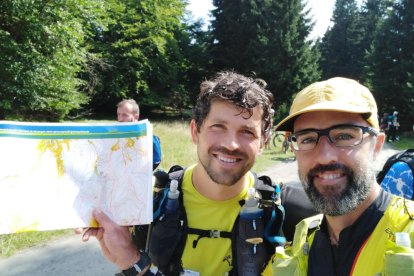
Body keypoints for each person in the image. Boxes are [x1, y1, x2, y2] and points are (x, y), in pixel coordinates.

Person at [79, 71, 280, 275]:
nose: (231, 144)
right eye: (218, 126)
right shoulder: (145, 200)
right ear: (195, 131)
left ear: (263, 142)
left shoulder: (281, 214)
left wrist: (134, 265)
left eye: (247, 132)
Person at [272, 77, 414, 275]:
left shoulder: (409, 230)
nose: (324, 156)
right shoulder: (304, 234)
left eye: (345, 136)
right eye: (308, 139)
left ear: (377, 146)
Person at [116, 99, 162, 170]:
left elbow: (156, 160)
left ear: (136, 117)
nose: (120, 119)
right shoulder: (113, 136)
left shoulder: (149, 139)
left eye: (125, 115)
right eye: (118, 114)